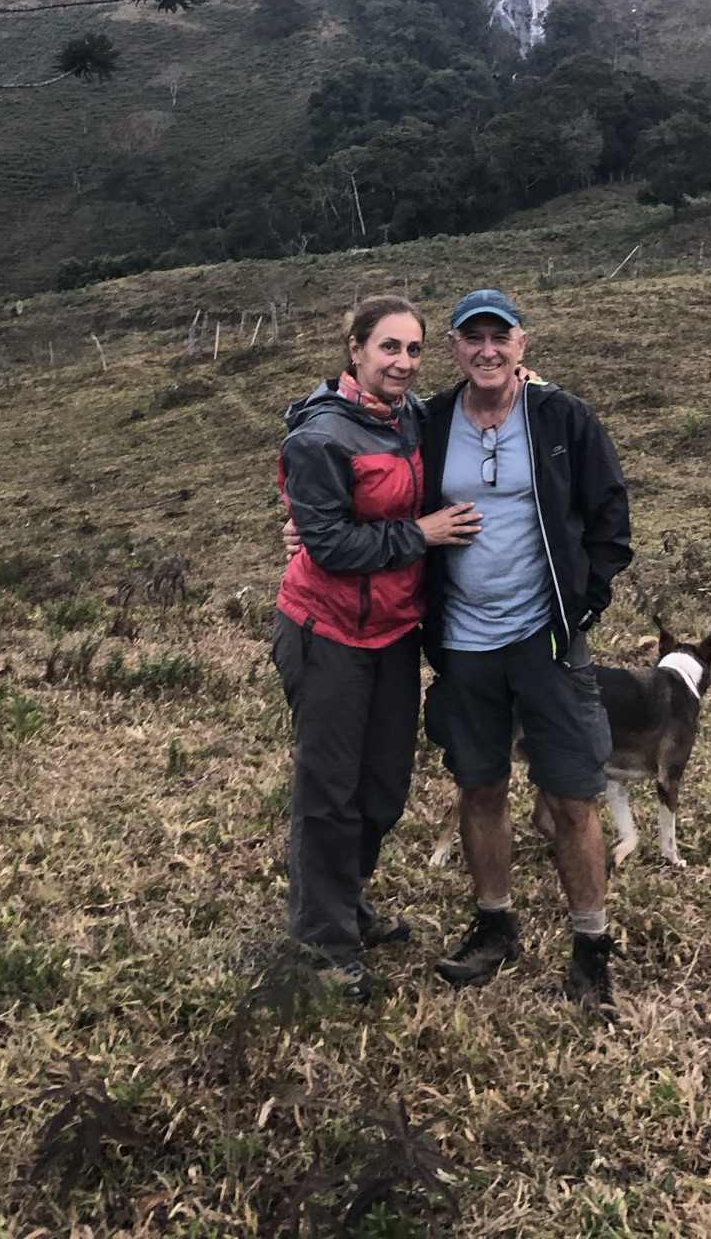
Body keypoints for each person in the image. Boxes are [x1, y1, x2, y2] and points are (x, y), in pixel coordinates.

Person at [419, 288, 632, 1014]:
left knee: (573, 796)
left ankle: (591, 945)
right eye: (471, 337)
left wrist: (584, 602)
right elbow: (373, 488)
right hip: (462, 643)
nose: (486, 349)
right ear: (453, 349)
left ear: (522, 345)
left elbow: (611, 515)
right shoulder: (431, 423)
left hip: (545, 640)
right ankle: (494, 924)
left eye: (499, 337)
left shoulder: (563, 418)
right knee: (479, 788)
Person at [273, 295, 481, 1000]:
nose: (403, 362)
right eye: (389, 347)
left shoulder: (412, 419)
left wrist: (525, 377)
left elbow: (477, 400)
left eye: (414, 350)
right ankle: (321, 940)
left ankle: (348, 900)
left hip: (393, 629)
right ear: (356, 350)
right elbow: (329, 545)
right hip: (326, 629)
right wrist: (420, 535)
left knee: (384, 785)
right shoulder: (320, 436)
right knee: (329, 790)